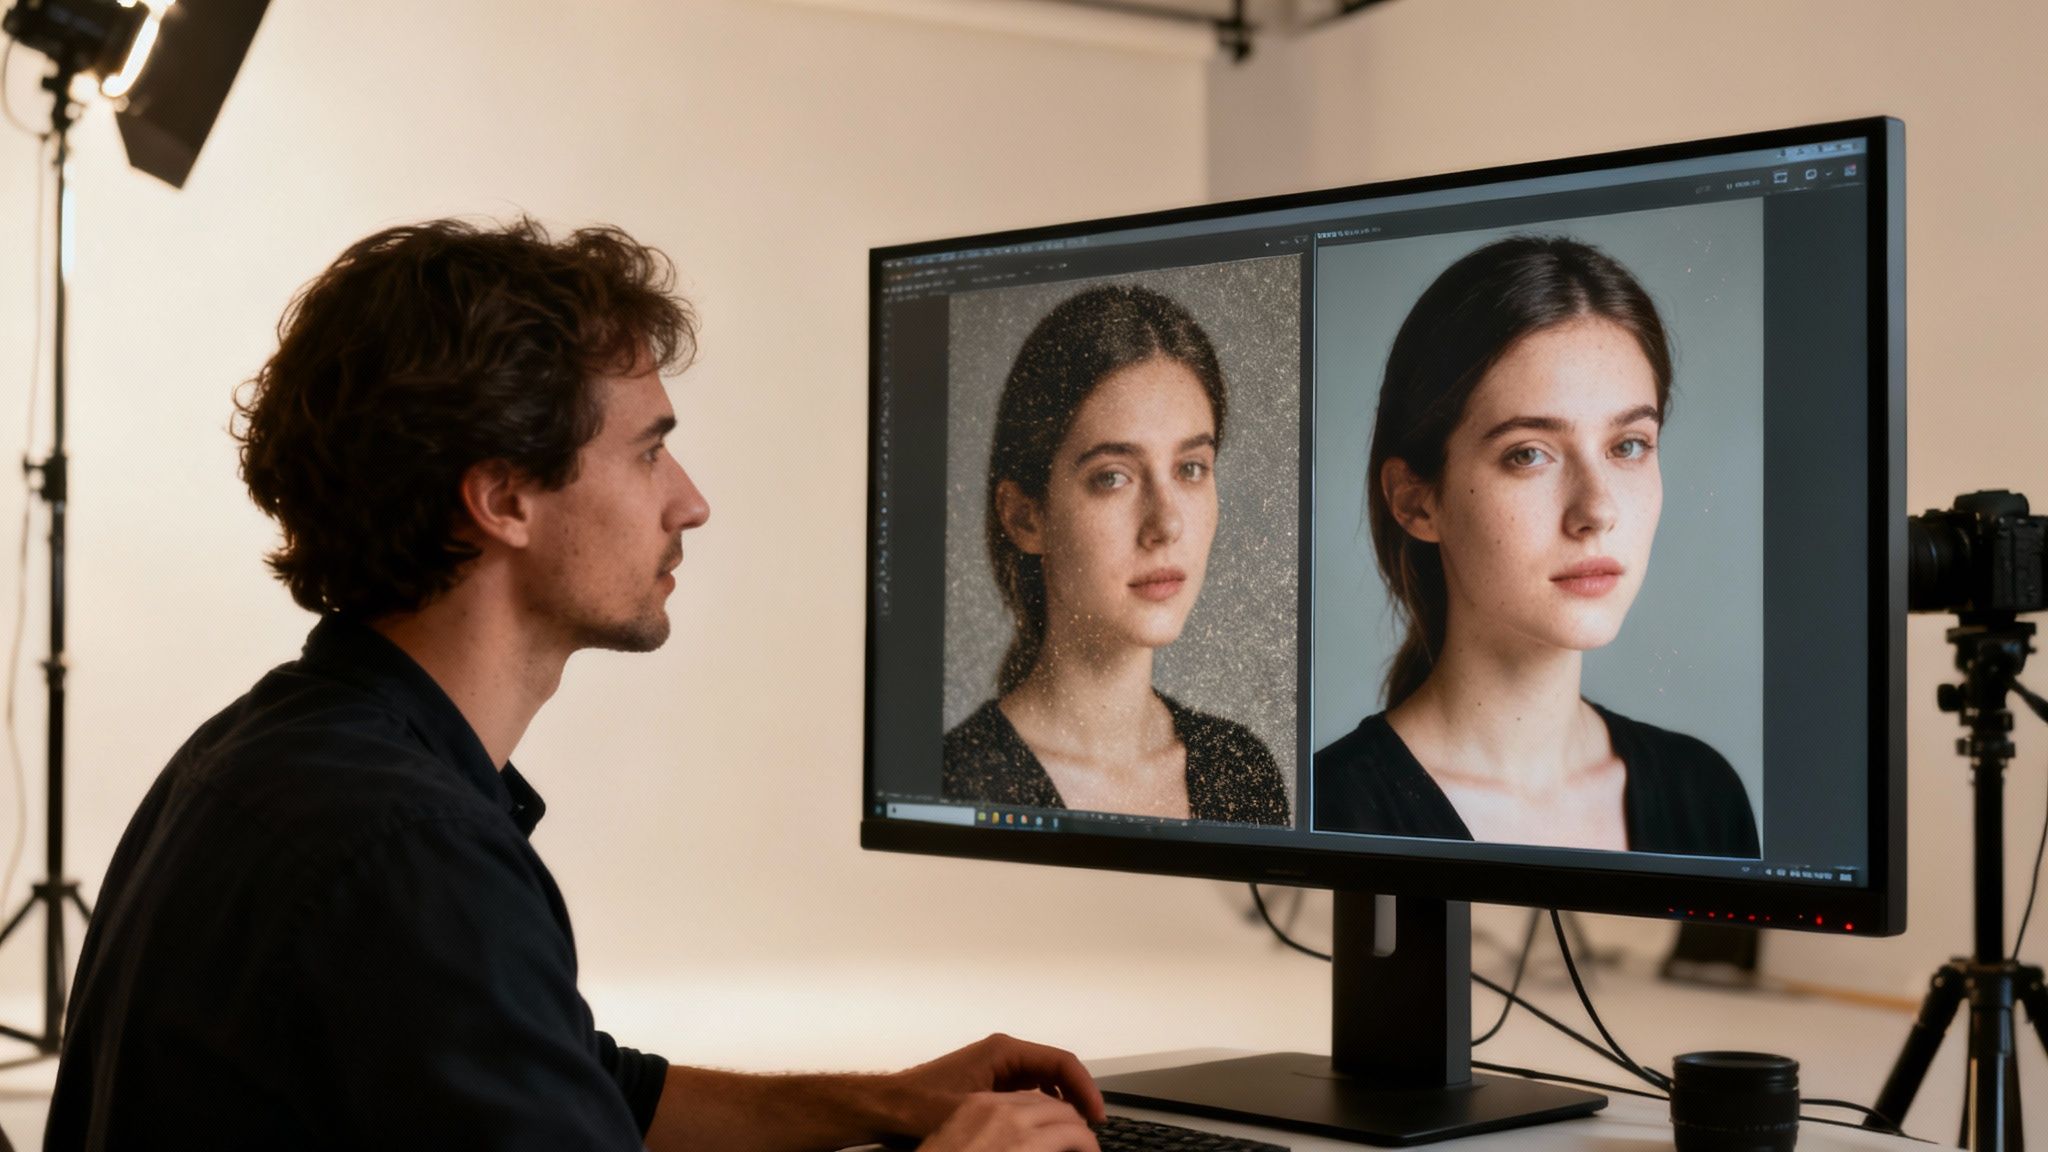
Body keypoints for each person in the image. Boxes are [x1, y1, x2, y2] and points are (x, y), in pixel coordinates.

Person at [47, 219, 1107, 1151]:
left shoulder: (273, 750)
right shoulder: (408, 852)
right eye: (649, 453)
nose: (690, 503)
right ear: (503, 498)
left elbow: (572, 1089)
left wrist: (887, 1103)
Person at [1313, 236, 1757, 857]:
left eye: (1628, 445)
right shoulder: (1326, 812)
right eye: (1529, 454)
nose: (1597, 511)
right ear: (1417, 501)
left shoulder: (1704, 797)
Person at [943, 285, 1290, 827]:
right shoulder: (958, 783)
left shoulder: (1240, 768)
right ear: (1025, 517)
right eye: (1113, 477)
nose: (1166, 523)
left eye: (1191, 468)